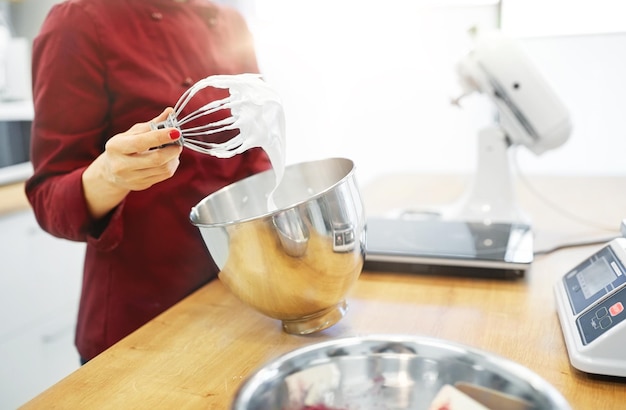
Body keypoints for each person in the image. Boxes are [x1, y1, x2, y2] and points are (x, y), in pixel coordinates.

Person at [25, 0, 271, 363]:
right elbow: (50, 197)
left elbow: (254, 149)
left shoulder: (232, 24)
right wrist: (110, 174)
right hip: (139, 322)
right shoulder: (79, 21)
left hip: (237, 294)